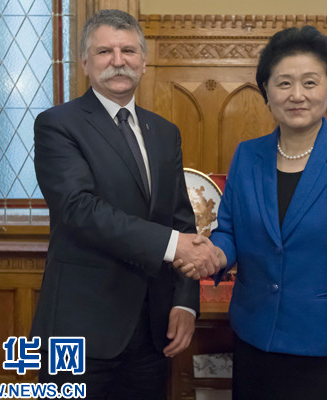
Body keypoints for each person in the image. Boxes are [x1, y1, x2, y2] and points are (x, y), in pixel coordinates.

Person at [176, 26, 327, 400]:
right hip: (256, 336)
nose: (297, 95)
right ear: (266, 91)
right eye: (284, 83)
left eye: (310, 82)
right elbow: (229, 230)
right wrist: (215, 255)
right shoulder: (248, 155)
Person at [31, 9, 219, 399]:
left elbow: (182, 221)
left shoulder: (164, 132)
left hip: (152, 333)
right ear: (85, 63)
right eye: (105, 51)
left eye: (128, 51)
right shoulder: (57, 125)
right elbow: (79, 209)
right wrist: (173, 245)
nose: (118, 60)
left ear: (143, 62)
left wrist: (186, 304)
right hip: (81, 331)